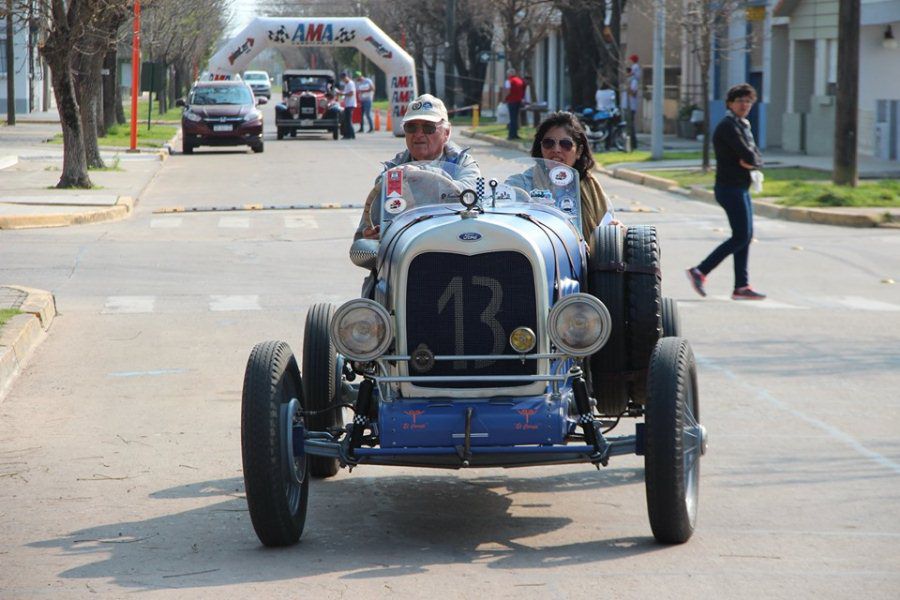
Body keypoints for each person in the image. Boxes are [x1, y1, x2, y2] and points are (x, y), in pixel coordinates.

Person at [354, 94, 481, 241]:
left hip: (453, 246)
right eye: (411, 127)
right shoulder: (392, 171)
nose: (418, 134)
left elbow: (471, 196)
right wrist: (371, 237)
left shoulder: (463, 163)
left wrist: (422, 175)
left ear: (446, 133)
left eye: (428, 128)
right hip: (405, 252)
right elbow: (362, 238)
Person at [686, 83, 766, 300]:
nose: (745, 105)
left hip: (741, 187)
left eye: (748, 101)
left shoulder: (743, 125)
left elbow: (756, 157)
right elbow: (749, 157)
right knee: (741, 235)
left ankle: (741, 286)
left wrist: (753, 161)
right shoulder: (728, 127)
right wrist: (752, 160)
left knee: (745, 236)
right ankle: (700, 270)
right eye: (740, 100)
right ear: (730, 104)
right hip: (729, 188)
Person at [508, 111, 619, 241]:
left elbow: (610, 235)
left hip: (584, 259)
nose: (556, 149)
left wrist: (617, 231)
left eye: (565, 144)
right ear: (540, 147)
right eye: (548, 143)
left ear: (579, 151)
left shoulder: (592, 189)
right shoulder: (520, 184)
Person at [501, 68, 526, 140]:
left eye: (508, 74)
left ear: (509, 74)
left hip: (512, 101)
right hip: (518, 101)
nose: (507, 75)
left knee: (512, 118)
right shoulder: (519, 80)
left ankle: (511, 135)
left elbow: (508, 91)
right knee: (515, 118)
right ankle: (515, 134)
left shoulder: (509, 81)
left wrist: (504, 99)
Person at [337, 71, 357, 139]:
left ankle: (349, 135)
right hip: (347, 104)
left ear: (345, 77)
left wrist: (343, 94)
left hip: (350, 104)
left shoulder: (350, 83)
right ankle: (351, 135)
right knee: (347, 120)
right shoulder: (346, 84)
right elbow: (346, 93)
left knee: (348, 120)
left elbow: (351, 93)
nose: (343, 80)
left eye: (343, 79)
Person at [626, 65, 640, 151]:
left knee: (631, 126)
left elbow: (633, 93)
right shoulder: (629, 81)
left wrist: (628, 89)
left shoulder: (633, 81)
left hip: (632, 106)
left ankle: (633, 143)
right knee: (629, 126)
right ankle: (631, 143)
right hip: (627, 105)